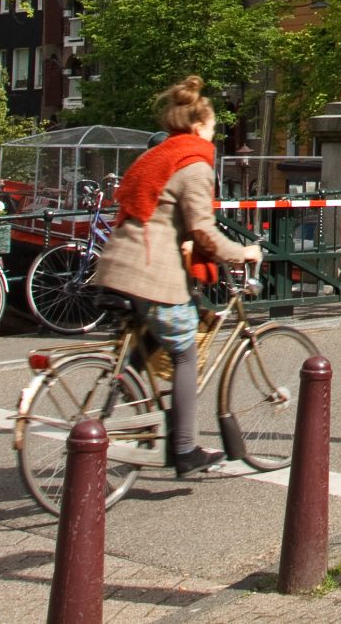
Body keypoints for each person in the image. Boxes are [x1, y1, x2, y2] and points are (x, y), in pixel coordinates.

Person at [89, 74, 263, 477]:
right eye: (215, 126)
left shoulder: (156, 156)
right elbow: (203, 228)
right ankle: (184, 449)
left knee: (140, 351)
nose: (215, 133)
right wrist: (242, 252)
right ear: (200, 126)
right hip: (151, 273)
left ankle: (127, 420)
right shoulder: (195, 164)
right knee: (185, 352)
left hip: (115, 265)